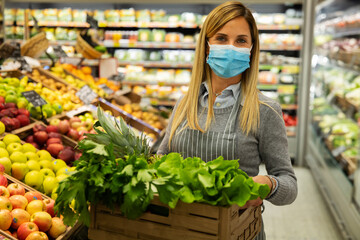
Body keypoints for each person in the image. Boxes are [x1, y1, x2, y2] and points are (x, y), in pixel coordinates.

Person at [157, 1, 297, 239]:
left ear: (252, 48)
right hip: (180, 230)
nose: (231, 47)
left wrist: (268, 184)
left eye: (241, 40)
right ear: (207, 46)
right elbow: (161, 157)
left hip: (236, 232)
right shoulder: (185, 103)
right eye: (221, 38)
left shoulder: (265, 110)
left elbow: (289, 185)